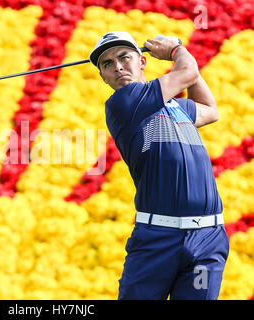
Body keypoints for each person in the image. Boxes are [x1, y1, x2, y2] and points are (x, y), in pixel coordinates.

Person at [89, 31, 229, 300]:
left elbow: (210, 110)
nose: (117, 66)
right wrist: (177, 50)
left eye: (123, 57)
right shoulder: (124, 103)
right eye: (107, 64)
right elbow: (186, 71)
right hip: (157, 239)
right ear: (103, 77)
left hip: (207, 239)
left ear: (142, 61)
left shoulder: (175, 106)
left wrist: (190, 66)